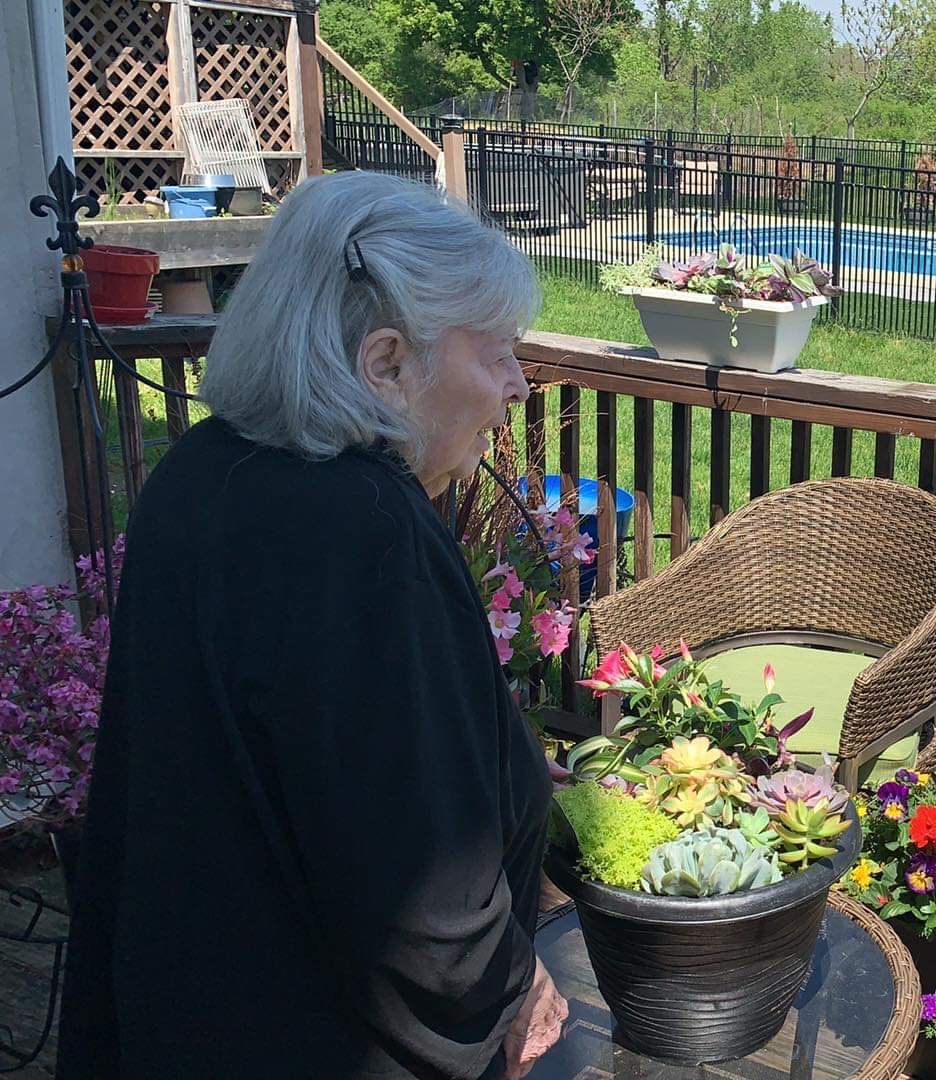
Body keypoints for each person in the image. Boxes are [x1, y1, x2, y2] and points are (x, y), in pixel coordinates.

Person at [58, 171, 567, 1078]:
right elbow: (420, 901)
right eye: (495, 354)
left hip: (188, 1014)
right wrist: (512, 993)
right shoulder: (365, 531)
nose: (516, 387)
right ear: (385, 364)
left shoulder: (203, 470)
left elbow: (298, 760)